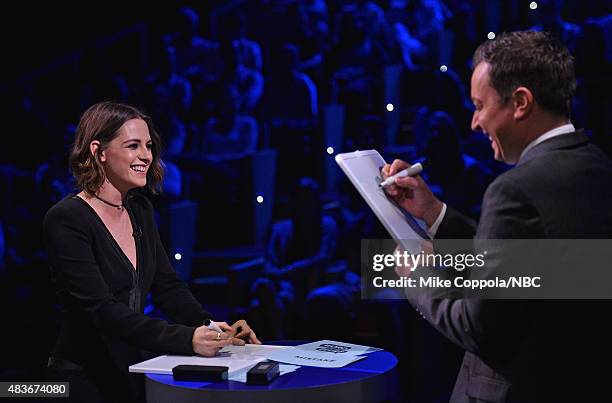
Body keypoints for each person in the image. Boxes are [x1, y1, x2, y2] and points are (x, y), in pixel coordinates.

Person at [382, 31, 612, 402]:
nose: (475, 123)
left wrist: (418, 277)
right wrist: (434, 213)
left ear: (520, 102)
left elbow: (478, 327)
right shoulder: (597, 165)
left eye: (479, 105)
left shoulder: (514, 190)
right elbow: (524, 271)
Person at [43, 101, 261, 403]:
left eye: (148, 146)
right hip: (82, 377)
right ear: (98, 151)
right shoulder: (66, 218)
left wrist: (212, 329)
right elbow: (102, 311)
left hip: (133, 368)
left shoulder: (140, 207)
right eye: (133, 146)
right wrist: (186, 339)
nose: (146, 155)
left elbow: (167, 287)